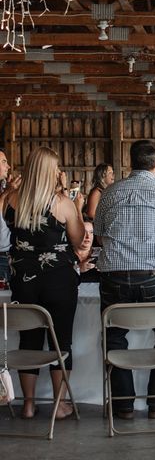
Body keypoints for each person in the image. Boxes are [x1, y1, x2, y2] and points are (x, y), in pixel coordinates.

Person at [95, 140, 155, 420]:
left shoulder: (110, 193)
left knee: (113, 336)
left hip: (114, 279)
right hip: (154, 280)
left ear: (130, 162)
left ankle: (122, 405)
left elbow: (99, 237)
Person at [2, 147, 85, 420]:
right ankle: (60, 405)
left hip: (23, 281)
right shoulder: (62, 203)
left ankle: (28, 404)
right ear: (52, 171)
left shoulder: (10, 200)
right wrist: (79, 208)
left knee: (29, 341)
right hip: (59, 281)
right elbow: (78, 240)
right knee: (61, 343)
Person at [0, 149, 20, 282]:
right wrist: (7, 193)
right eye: (3, 162)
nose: (8, 166)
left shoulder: (3, 187)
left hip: (10, 255)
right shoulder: (4, 190)